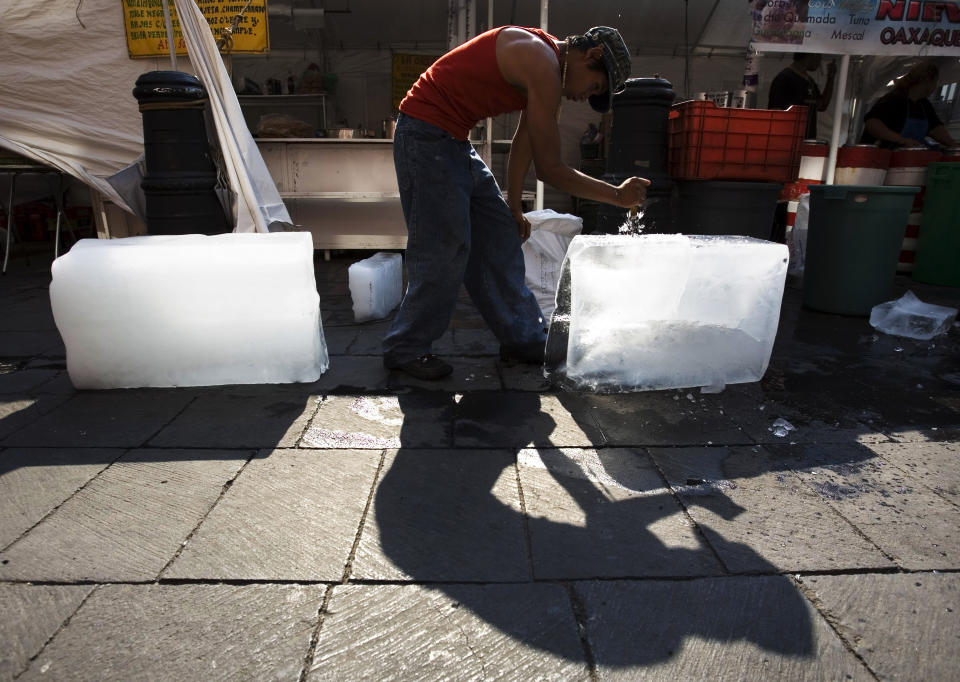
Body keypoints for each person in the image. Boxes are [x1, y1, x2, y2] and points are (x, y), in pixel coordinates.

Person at [383, 26, 649, 380]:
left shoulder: (547, 63)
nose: (586, 96)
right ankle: (407, 347)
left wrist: (512, 206)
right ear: (591, 55)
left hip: (453, 140)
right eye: (594, 87)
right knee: (445, 246)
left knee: (498, 235)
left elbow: (525, 139)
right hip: (426, 135)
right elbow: (549, 169)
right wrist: (616, 195)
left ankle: (522, 339)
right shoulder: (542, 63)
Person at [860, 60, 957, 149]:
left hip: (907, 160)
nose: (936, 86)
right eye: (936, 81)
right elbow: (872, 124)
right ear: (928, 81)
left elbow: (935, 128)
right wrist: (901, 140)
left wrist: (953, 145)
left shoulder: (924, 105)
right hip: (881, 158)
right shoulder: (893, 99)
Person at [768, 53, 837, 140]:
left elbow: (822, 105)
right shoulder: (784, 78)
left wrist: (831, 77)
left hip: (807, 141)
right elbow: (775, 112)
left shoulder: (810, 81)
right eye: (819, 57)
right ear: (812, 55)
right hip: (787, 141)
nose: (819, 63)